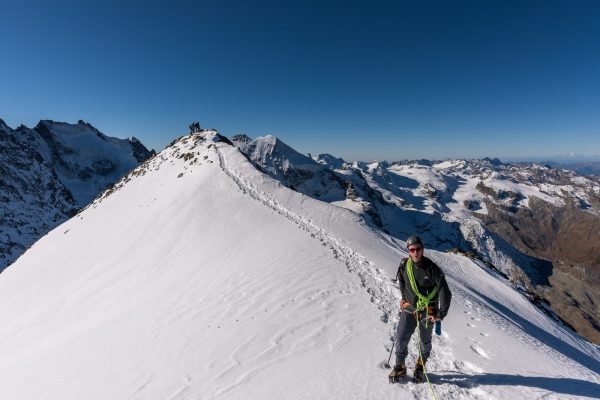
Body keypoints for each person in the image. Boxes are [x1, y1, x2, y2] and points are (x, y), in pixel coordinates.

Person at [389, 235, 452, 383]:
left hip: (428, 312)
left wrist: (441, 314)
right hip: (409, 308)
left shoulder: (432, 269)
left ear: (422, 249)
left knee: (425, 341)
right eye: (412, 250)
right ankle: (400, 366)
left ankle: (420, 366)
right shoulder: (404, 265)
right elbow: (402, 280)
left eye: (418, 249)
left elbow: (445, 291)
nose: (415, 252)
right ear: (408, 251)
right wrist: (404, 298)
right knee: (401, 336)